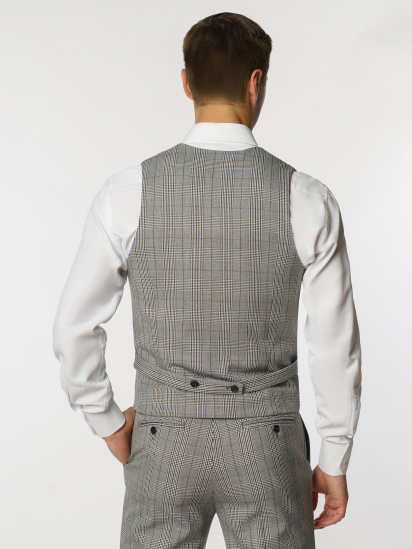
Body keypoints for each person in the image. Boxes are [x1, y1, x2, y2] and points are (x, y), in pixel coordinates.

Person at [52, 11, 362, 549]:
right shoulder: (308, 198)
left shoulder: (127, 192)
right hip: (266, 444)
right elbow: (335, 346)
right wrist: (334, 458)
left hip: (161, 440)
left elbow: (72, 328)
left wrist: (108, 422)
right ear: (255, 82)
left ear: (186, 82)